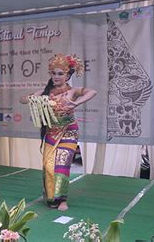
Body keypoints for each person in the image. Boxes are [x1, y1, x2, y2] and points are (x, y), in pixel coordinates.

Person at [20, 53, 97, 211]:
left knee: (62, 166)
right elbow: (22, 99)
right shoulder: (46, 91)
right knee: (48, 166)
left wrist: (75, 103)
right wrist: (32, 98)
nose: (56, 76)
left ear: (68, 75)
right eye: (54, 73)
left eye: (60, 73)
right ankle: (51, 197)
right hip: (51, 132)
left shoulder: (72, 91)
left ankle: (62, 199)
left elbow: (92, 92)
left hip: (69, 131)